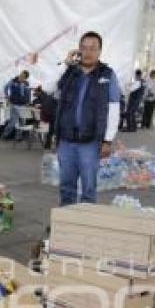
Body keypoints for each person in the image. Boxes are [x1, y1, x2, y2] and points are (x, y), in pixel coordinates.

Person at [49, 31, 120, 205]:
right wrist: (65, 64)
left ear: (100, 51)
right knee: (66, 186)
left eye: (93, 48)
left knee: (88, 188)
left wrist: (108, 140)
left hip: (91, 142)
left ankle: (84, 227)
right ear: (78, 50)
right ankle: (66, 224)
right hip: (66, 140)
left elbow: (114, 108)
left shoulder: (107, 75)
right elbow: (48, 88)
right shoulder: (69, 73)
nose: (87, 52)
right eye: (84, 48)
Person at [2, 70, 31, 140]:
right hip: (14, 104)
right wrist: (7, 97)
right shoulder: (13, 81)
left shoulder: (26, 83)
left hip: (23, 105)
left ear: (26, 78)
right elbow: (5, 87)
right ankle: (5, 135)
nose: (22, 76)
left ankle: (18, 137)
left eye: (24, 76)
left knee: (22, 121)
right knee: (13, 121)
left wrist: (28, 102)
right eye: (21, 75)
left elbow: (28, 93)